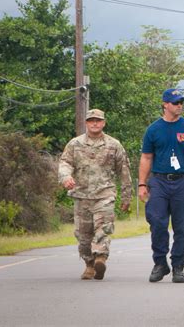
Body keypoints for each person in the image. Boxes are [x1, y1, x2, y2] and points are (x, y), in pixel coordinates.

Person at [138, 88, 184, 283]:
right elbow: (146, 157)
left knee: (182, 225)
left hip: (183, 181)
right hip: (159, 180)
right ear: (165, 104)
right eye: (176, 102)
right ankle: (160, 263)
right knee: (157, 221)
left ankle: (178, 264)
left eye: (181, 102)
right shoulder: (153, 129)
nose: (179, 106)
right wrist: (142, 184)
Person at [58, 109, 132, 280]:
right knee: (83, 237)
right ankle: (89, 265)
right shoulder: (75, 144)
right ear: (86, 123)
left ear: (104, 123)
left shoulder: (114, 145)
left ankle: (100, 258)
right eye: (91, 120)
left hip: (104, 195)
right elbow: (65, 163)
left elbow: (124, 171)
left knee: (103, 229)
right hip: (81, 196)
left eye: (98, 120)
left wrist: (126, 196)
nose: (95, 123)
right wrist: (66, 177)